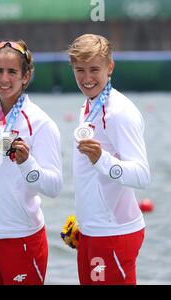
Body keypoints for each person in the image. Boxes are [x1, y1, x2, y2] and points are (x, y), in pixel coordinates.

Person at [0, 40, 63, 285]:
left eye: (12, 72)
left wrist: (26, 163)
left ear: (26, 76)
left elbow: (54, 187)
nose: (4, 78)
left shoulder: (41, 123)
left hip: (20, 238)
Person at [68, 34, 151, 285]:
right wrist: (83, 219)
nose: (87, 78)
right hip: (92, 230)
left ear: (110, 67)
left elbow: (142, 175)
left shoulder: (119, 113)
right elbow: (89, 177)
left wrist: (102, 160)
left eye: (94, 69)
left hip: (114, 234)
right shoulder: (90, 104)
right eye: (80, 70)